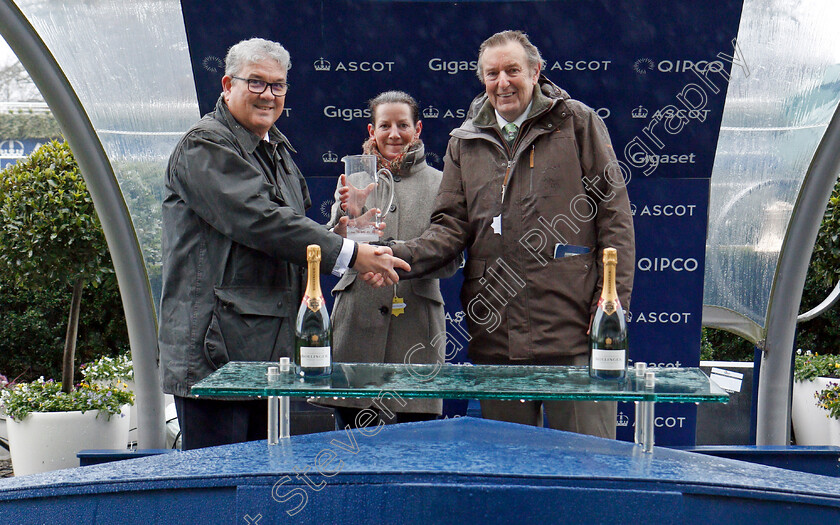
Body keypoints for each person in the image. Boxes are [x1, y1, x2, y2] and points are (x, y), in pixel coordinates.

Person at [158, 38, 408, 450]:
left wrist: (345, 230)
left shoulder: (277, 149)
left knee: (258, 485)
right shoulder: (205, 145)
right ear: (227, 84)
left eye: (278, 85)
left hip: (266, 355)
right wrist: (352, 254)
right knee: (221, 491)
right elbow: (263, 222)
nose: (268, 95)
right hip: (217, 355)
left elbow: (289, 233)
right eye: (256, 82)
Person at [390, 30, 635, 438]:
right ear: (482, 79)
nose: (502, 83)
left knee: (588, 468)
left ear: (536, 72)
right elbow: (449, 228)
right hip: (497, 338)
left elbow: (615, 219)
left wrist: (613, 306)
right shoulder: (463, 142)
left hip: (573, 335)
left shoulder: (578, 123)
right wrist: (392, 256)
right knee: (512, 471)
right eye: (492, 74)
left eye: (512, 71)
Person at [325, 91, 460, 429]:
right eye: (385, 125)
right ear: (371, 132)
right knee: (352, 454)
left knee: (414, 455)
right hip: (355, 329)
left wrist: (391, 256)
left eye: (403, 125)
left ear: (419, 129)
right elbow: (329, 256)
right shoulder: (352, 181)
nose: (394, 134)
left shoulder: (442, 183)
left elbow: (450, 260)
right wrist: (345, 221)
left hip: (417, 334)